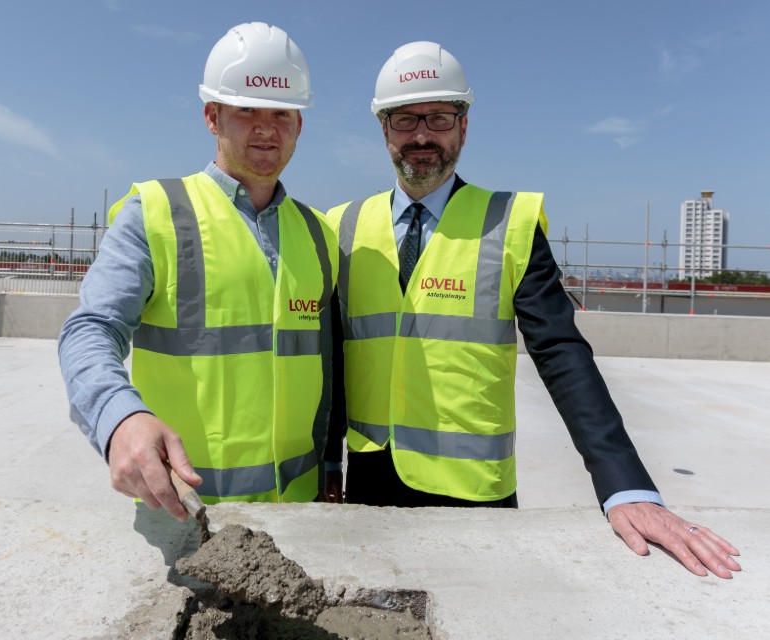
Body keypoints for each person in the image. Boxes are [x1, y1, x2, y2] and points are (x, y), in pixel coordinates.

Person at [322, 40, 740, 579]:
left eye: (440, 117)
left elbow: (561, 352)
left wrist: (623, 484)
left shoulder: (510, 223)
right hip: (370, 482)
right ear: (384, 130)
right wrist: (329, 460)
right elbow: (330, 353)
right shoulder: (343, 226)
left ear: (464, 126)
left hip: (474, 494)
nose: (422, 135)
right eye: (405, 119)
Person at [58, 22, 337, 521]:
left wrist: (332, 466)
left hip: (299, 514)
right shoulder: (156, 213)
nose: (266, 127)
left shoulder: (319, 234)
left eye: (282, 112)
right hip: (188, 513)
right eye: (246, 109)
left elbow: (326, 367)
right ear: (212, 116)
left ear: (300, 123)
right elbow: (91, 329)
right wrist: (118, 417)